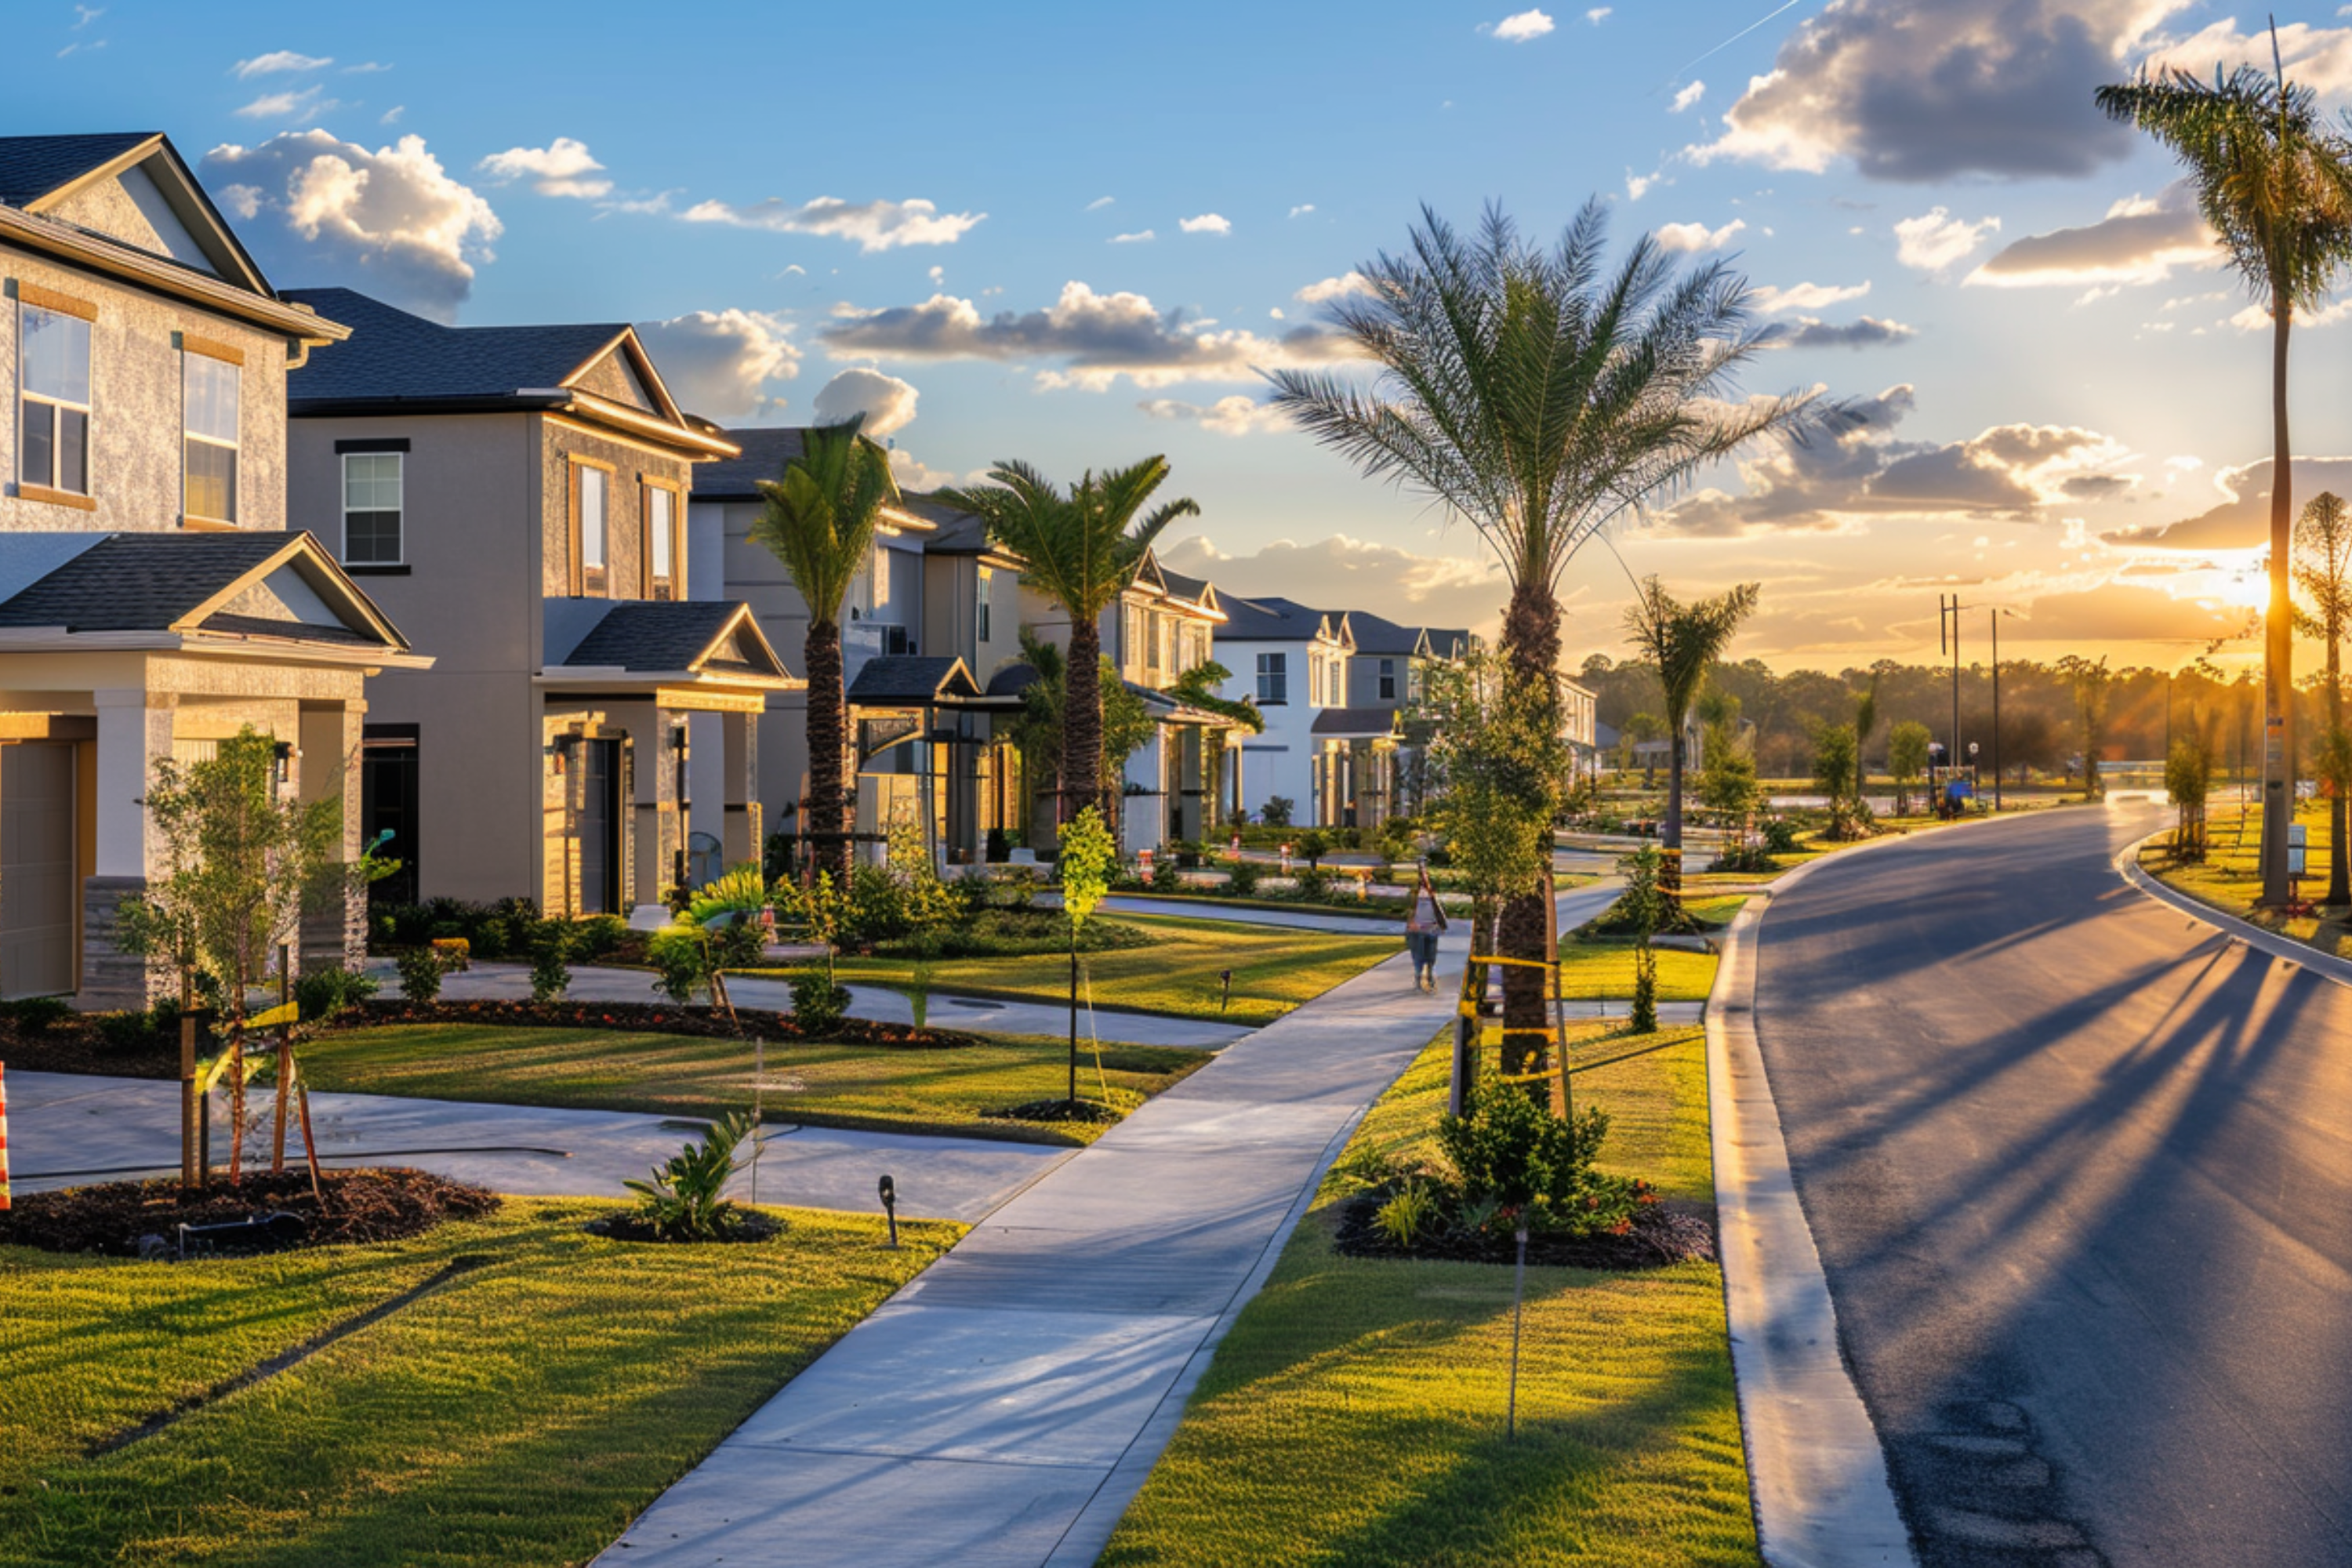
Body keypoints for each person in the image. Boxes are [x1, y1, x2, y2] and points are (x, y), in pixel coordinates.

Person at [1403, 862, 1448, 992]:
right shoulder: (1413, 895)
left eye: (1425, 875)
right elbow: (1408, 912)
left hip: (1431, 930)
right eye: (1422, 875)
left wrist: (1439, 925)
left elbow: (1438, 911)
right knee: (1418, 956)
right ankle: (1418, 979)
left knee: (1431, 956)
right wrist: (1411, 924)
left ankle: (1429, 976)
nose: (1424, 878)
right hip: (1416, 931)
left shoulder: (1431, 894)